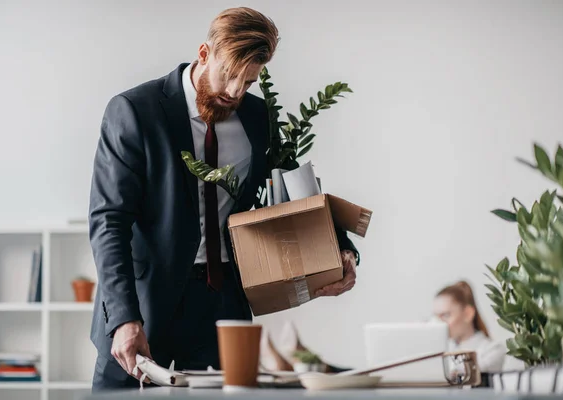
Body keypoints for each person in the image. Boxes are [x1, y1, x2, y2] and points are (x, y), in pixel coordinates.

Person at [88, 7, 360, 391]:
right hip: (144, 306)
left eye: (248, 82)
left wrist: (342, 249)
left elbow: (294, 185)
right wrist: (123, 319)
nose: (234, 92)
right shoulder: (135, 112)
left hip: (221, 302)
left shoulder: (254, 116)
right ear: (204, 53)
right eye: (229, 75)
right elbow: (108, 221)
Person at [433, 280, 506, 373]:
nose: (439, 323)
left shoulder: (493, 350)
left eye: (446, 315)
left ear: (468, 314)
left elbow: (468, 374)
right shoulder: (443, 351)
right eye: (436, 317)